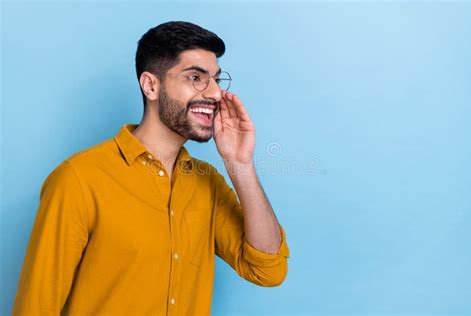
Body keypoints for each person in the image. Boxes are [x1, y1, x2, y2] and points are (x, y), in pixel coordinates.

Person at [12, 21, 290, 315]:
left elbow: (268, 270)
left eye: (216, 80)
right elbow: (35, 307)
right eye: (196, 77)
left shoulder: (208, 184)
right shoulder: (79, 179)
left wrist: (240, 164)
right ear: (151, 85)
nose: (216, 95)